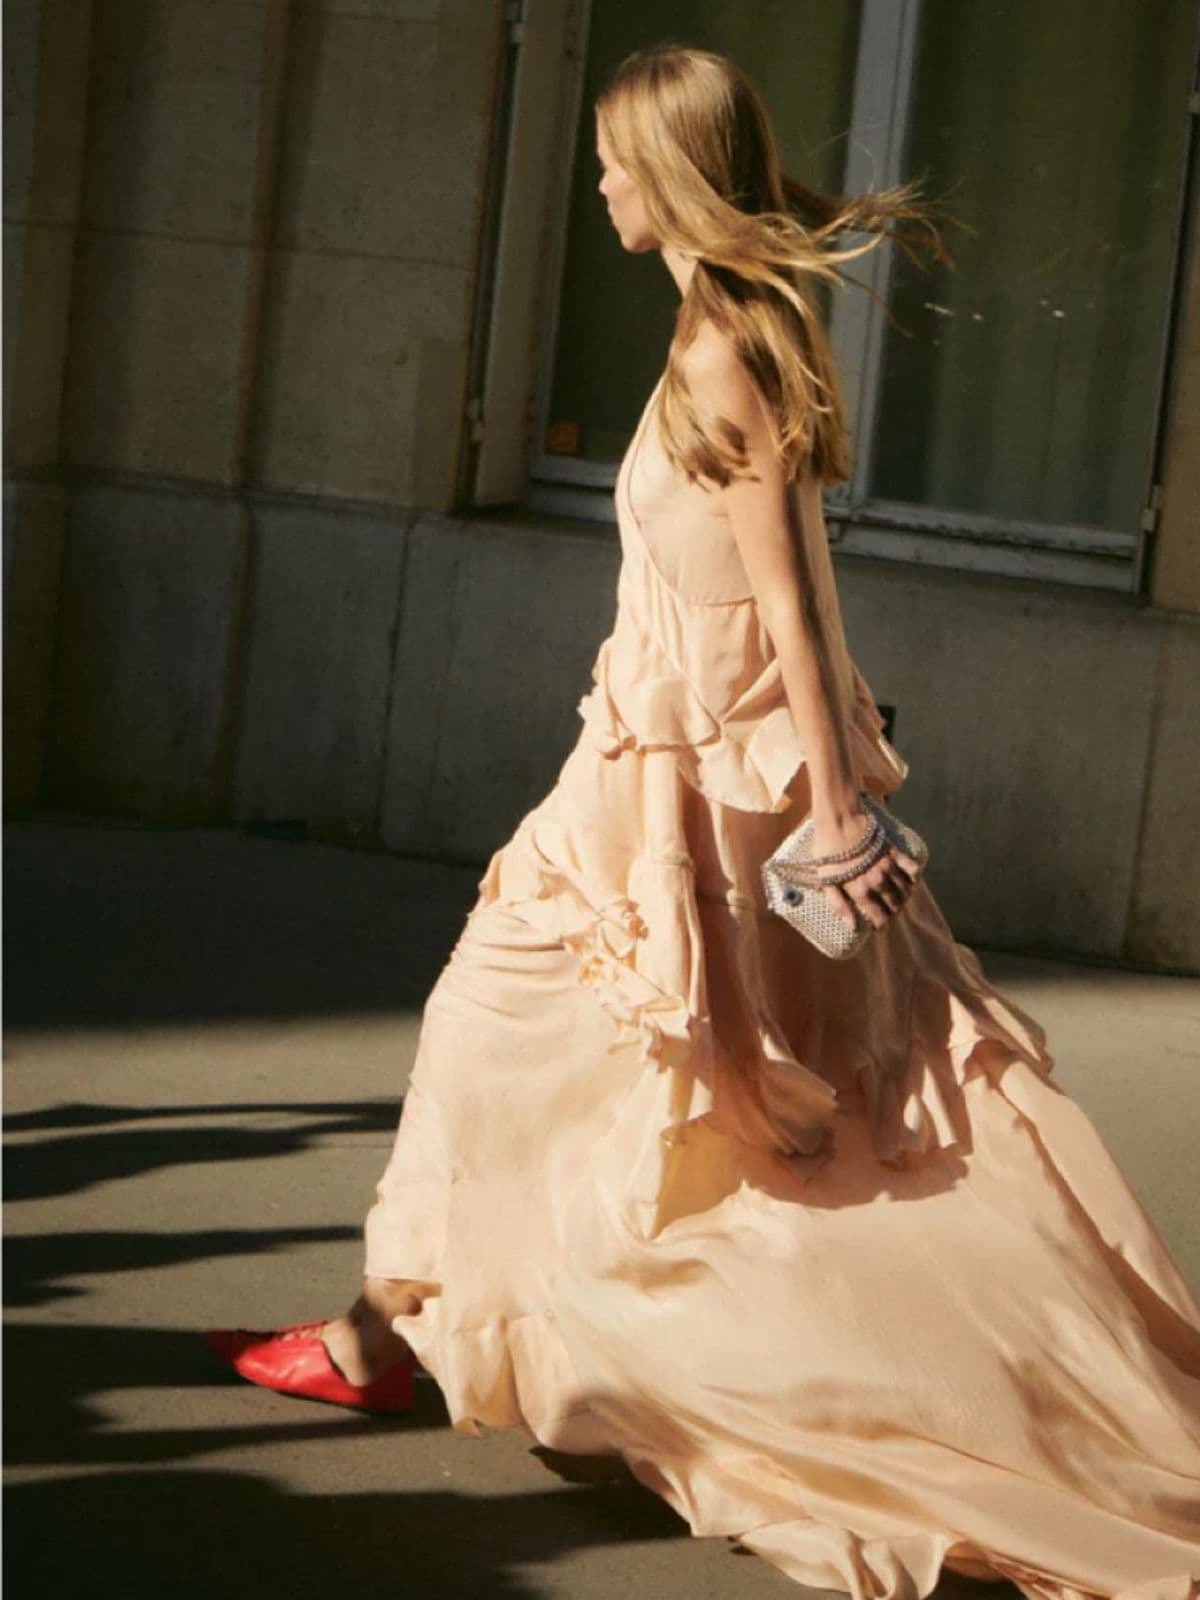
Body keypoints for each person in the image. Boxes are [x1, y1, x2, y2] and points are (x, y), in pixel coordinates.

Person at [206, 43, 1200, 1600]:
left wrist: (835, 804)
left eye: (612, 160)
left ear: (664, 172)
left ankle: (416, 1338)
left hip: (703, 792)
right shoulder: (711, 328)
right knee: (583, 1071)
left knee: (740, 1116)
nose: (597, 182)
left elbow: (798, 601)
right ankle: (386, 1327)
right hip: (638, 768)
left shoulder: (731, 348)